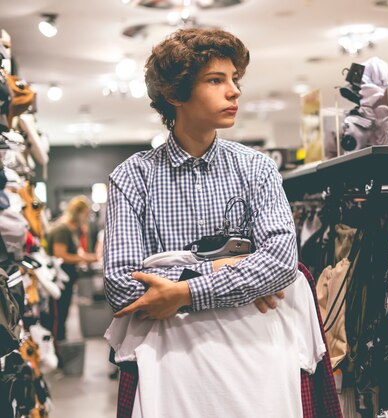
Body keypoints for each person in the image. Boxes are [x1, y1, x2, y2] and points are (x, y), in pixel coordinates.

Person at [103, 28, 322, 417]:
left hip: (255, 363)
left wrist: (181, 293)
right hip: (171, 370)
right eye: (216, 80)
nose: (234, 90)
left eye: (234, 78)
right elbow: (123, 287)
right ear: (174, 94)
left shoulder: (257, 168)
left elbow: (280, 263)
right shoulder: (132, 178)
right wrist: (231, 269)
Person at [45, 195, 98, 341]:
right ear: (79, 212)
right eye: (86, 214)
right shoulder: (62, 229)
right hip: (59, 281)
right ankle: (58, 349)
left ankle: (60, 345)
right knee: (58, 317)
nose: (87, 218)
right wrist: (86, 258)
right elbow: (60, 255)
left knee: (62, 315)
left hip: (66, 279)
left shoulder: (71, 229)